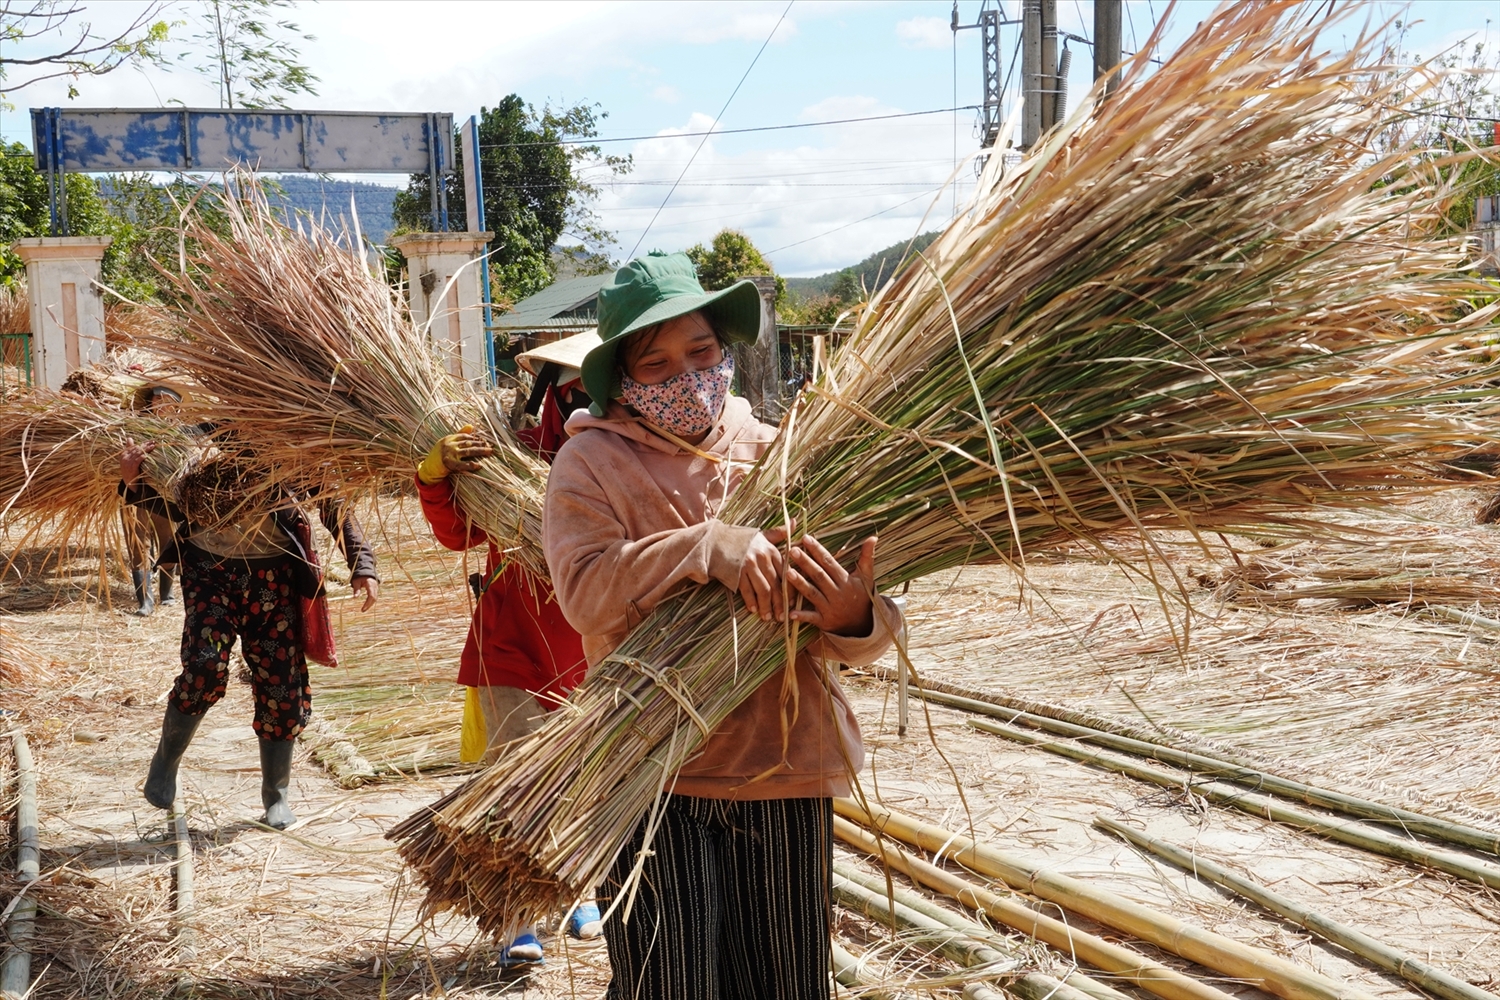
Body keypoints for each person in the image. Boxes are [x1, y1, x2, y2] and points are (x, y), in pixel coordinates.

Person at [543, 251, 903, 999]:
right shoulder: (590, 465)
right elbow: (584, 594)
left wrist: (851, 616)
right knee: (666, 982)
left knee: (785, 983)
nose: (685, 375)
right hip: (649, 771)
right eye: (656, 362)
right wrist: (705, 548)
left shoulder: (784, 455)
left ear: (726, 351)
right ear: (621, 379)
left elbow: (873, 629)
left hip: (786, 765)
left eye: (700, 351)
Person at [414, 331, 603, 965]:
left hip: (597, 646)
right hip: (511, 645)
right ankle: (516, 923)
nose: (578, 396)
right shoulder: (504, 459)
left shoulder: (627, 460)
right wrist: (434, 475)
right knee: (509, 783)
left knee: (587, 779)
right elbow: (454, 535)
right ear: (548, 389)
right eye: (568, 384)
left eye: (591, 383)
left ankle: (581, 888)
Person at [119, 442, 379, 829]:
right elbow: (171, 506)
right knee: (204, 667)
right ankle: (166, 761)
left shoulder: (288, 438)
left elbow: (332, 503)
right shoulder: (195, 440)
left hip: (273, 577)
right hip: (209, 570)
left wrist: (362, 563)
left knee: (281, 684)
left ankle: (276, 794)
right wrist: (132, 482)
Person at [122, 385, 184, 616]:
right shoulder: (134, 425)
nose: (158, 402)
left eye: (164, 399)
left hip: (165, 496)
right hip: (135, 492)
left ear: (175, 405)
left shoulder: (182, 432)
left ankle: (166, 593)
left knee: (168, 540)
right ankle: (145, 601)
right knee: (137, 542)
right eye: (155, 398)